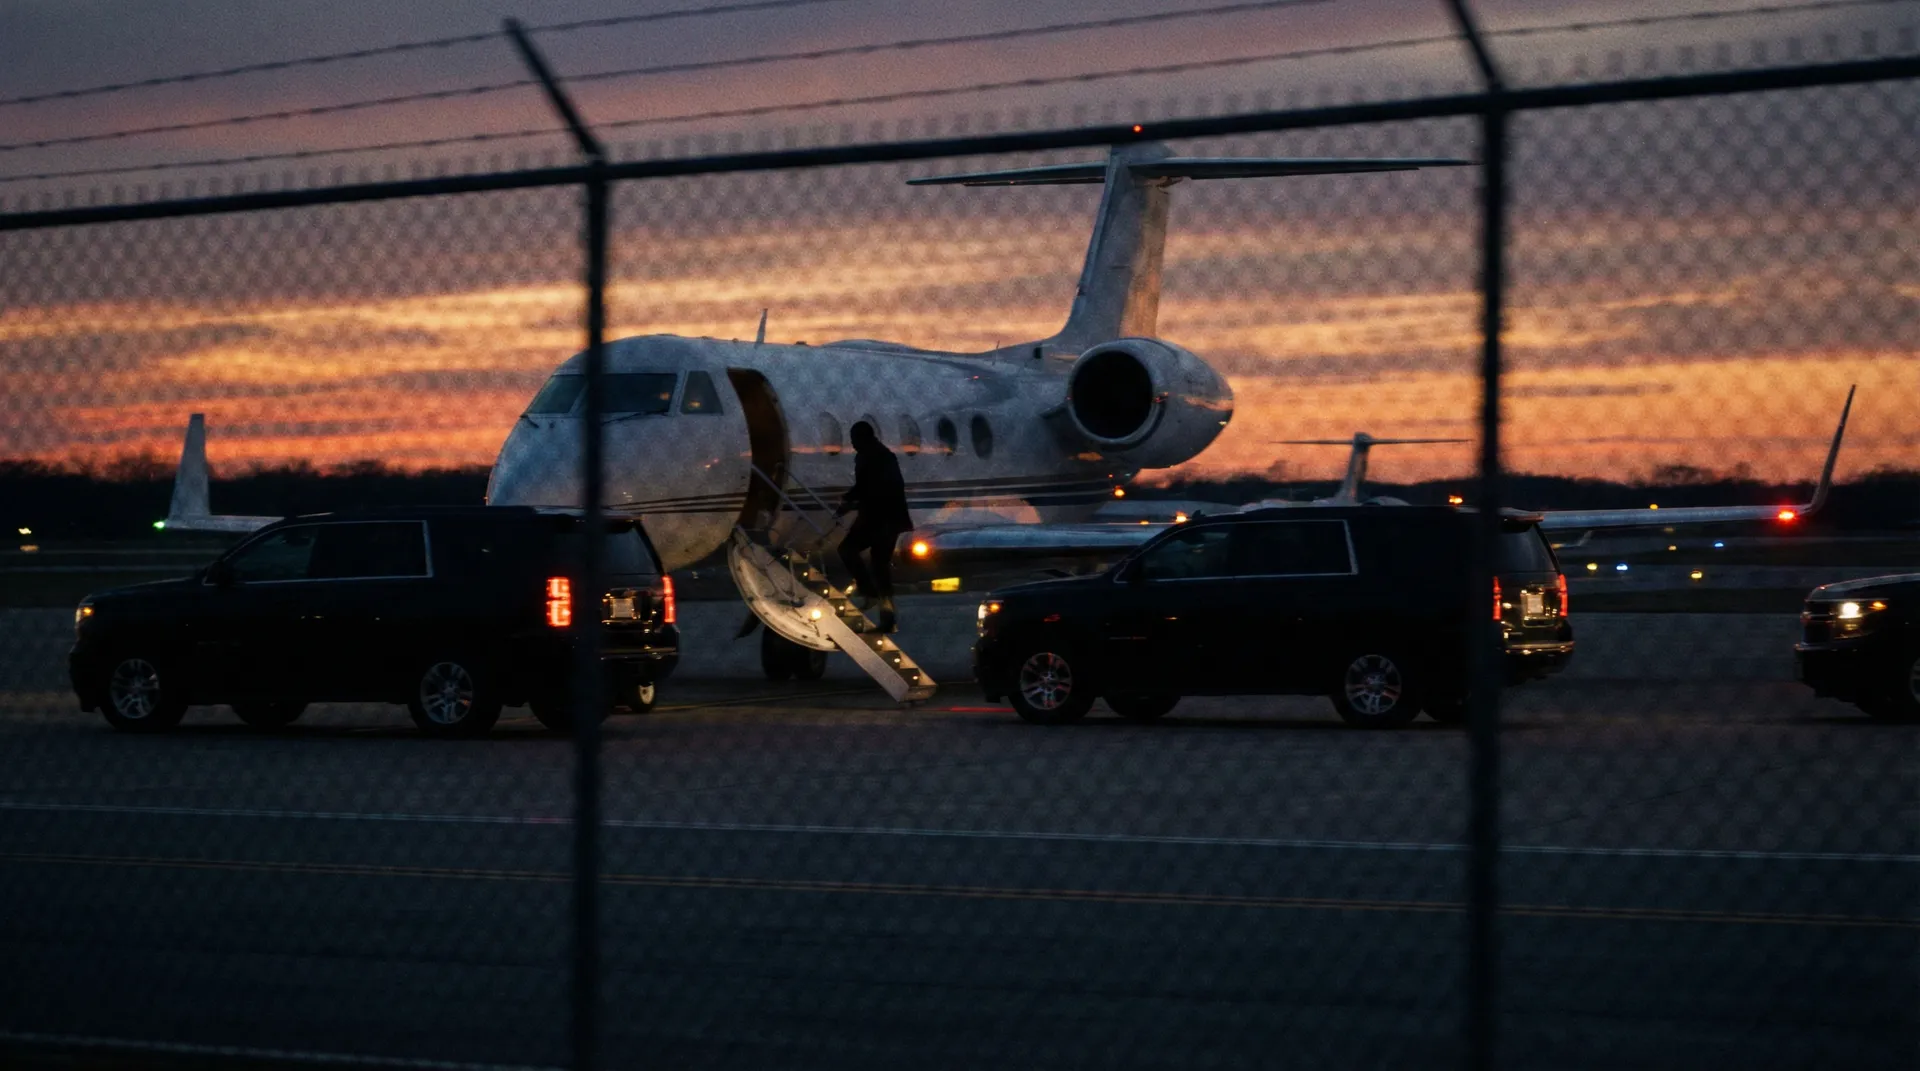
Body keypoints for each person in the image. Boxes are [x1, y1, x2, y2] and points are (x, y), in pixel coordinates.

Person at [835, 421, 913, 631]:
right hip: (881, 519)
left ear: (863, 438)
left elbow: (880, 490)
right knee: (879, 567)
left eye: (854, 440)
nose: (852, 445)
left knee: (849, 551)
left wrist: (851, 503)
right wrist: (849, 499)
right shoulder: (874, 455)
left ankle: (869, 593)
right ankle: (885, 615)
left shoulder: (878, 457)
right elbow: (864, 487)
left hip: (881, 519)